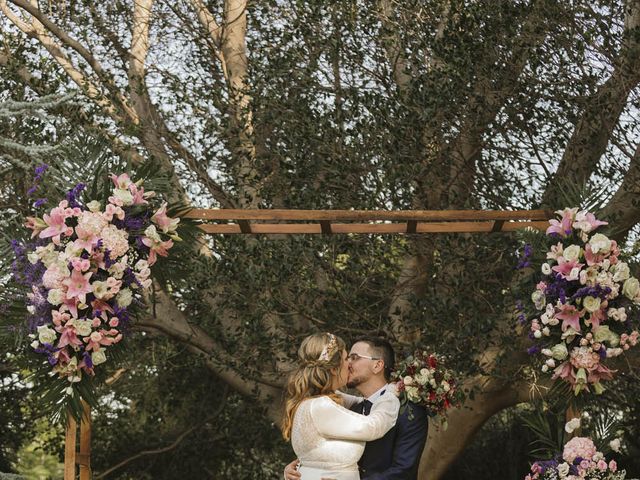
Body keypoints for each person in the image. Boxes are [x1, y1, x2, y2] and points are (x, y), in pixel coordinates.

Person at [284, 336, 429, 480]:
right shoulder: (344, 409)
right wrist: (303, 468)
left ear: (377, 365)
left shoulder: (408, 412)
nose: (348, 364)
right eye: (348, 358)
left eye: (354, 357)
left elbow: (403, 472)